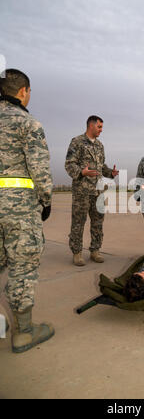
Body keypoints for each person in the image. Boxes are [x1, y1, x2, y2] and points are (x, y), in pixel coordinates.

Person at [0, 69, 54, 353]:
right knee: (21, 266)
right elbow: (40, 170)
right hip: (18, 206)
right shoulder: (27, 123)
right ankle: (24, 332)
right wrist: (45, 200)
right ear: (22, 91)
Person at [65, 116, 119, 266]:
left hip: (99, 191)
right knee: (78, 222)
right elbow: (69, 164)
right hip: (82, 191)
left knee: (98, 222)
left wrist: (110, 173)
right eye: (99, 127)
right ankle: (77, 253)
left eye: (102, 127)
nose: (101, 130)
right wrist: (82, 172)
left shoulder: (100, 146)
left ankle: (95, 250)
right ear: (91, 126)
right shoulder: (77, 142)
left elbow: (101, 166)